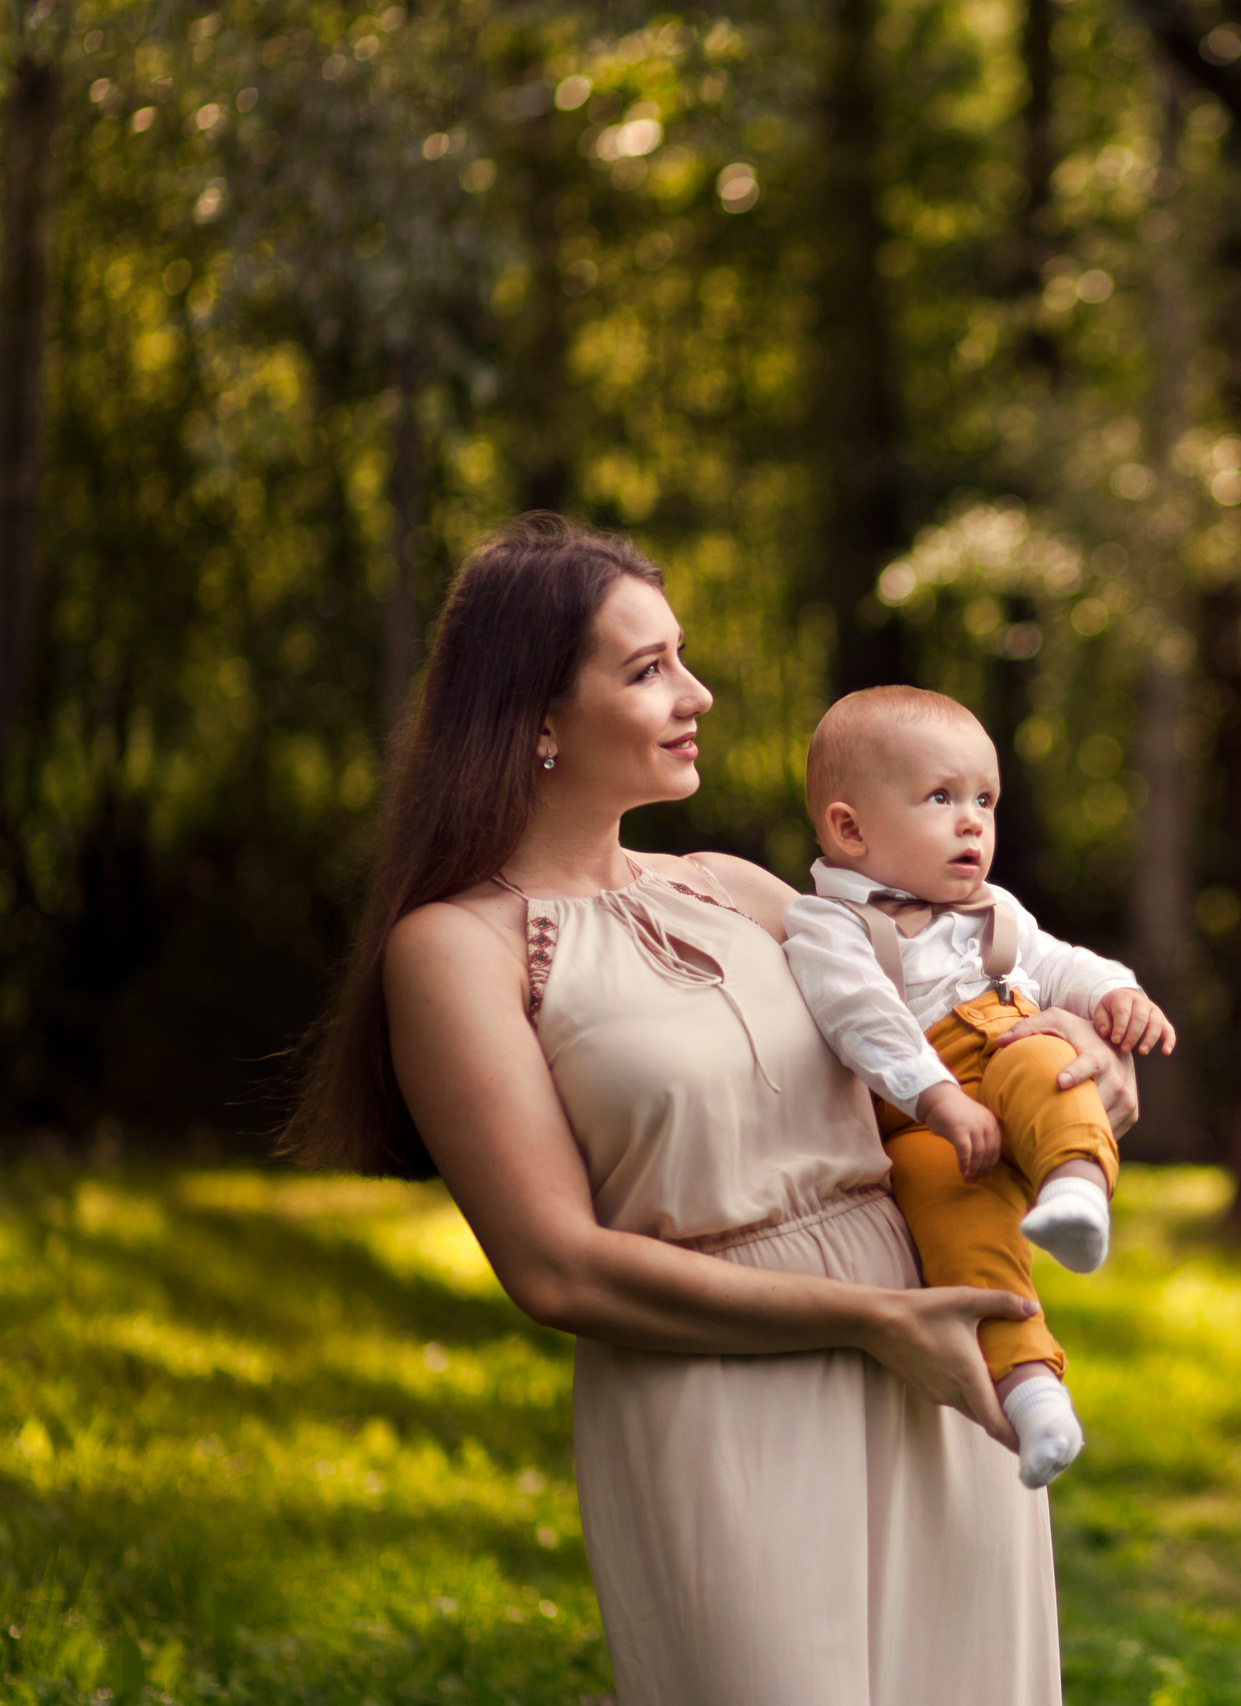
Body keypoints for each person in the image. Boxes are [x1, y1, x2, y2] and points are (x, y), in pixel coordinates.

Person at [282, 514, 1132, 1705]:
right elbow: (557, 1268)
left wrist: (1078, 1037)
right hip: (726, 1398)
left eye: (680, 656)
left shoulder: (734, 887)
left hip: (936, 1357)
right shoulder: (457, 947)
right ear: (534, 717)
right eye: (647, 670)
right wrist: (870, 1320)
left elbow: (947, 1009)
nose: (698, 693)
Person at [780, 687, 1177, 1489]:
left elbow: (1061, 963)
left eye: (984, 801)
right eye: (941, 798)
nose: (972, 823)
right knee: (953, 1220)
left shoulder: (994, 911)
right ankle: (1033, 1393)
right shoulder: (828, 926)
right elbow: (865, 1021)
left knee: (1045, 1059)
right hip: (922, 1117)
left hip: (1005, 1055)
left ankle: (1076, 1192)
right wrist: (939, 1099)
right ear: (850, 829)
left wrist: (1115, 994)